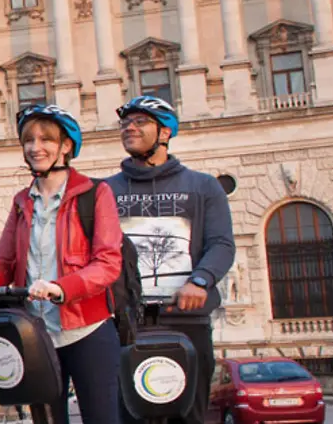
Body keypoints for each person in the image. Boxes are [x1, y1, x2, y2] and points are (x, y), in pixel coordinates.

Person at [0, 105, 124, 424]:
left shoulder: (95, 193)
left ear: (66, 146)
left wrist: (60, 288)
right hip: (36, 335)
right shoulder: (22, 201)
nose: (35, 147)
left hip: (88, 331)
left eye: (46, 139)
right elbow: (2, 264)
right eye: (28, 140)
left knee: (102, 418)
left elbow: (108, 262)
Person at [106, 96, 234, 424]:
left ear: (164, 133)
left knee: (188, 415)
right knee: (130, 413)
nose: (129, 128)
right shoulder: (105, 191)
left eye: (140, 122)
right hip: (128, 320)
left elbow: (221, 243)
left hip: (186, 318)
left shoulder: (203, 186)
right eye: (125, 123)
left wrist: (201, 280)